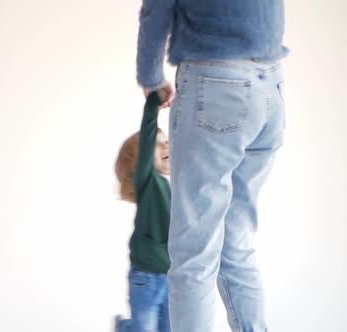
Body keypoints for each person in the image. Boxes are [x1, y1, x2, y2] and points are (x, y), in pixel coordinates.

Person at [136, 0, 288, 331]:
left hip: (215, 83)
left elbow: (157, 7)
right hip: (270, 84)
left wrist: (150, 75)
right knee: (237, 245)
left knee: (195, 255)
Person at [114, 91, 171, 332]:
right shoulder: (148, 182)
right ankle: (127, 328)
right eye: (158, 144)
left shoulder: (169, 187)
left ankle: (128, 327)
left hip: (168, 277)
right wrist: (152, 107)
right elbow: (147, 138)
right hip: (145, 278)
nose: (166, 145)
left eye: (167, 142)